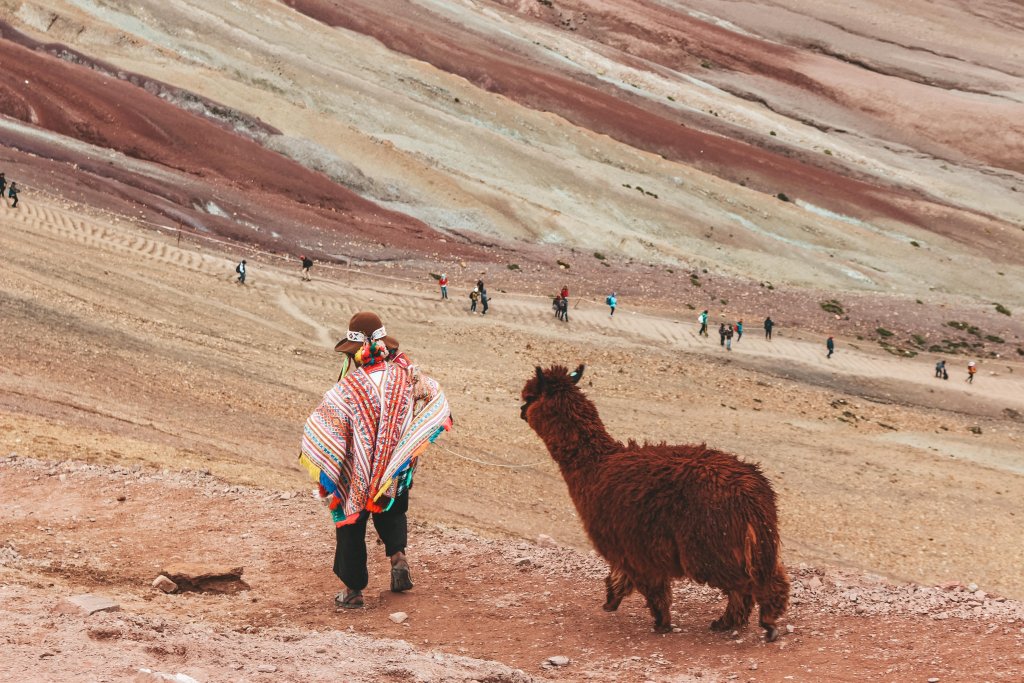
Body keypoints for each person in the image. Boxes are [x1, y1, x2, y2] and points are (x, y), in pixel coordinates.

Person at [300, 311, 452, 609]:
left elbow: (320, 429)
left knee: (351, 521)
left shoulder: (346, 389)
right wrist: (410, 439)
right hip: (395, 466)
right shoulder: (406, 376)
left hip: (358, 472)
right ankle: (398, 559)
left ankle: (353, 591)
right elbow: (434, 394)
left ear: (355, 353)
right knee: (392, 509)